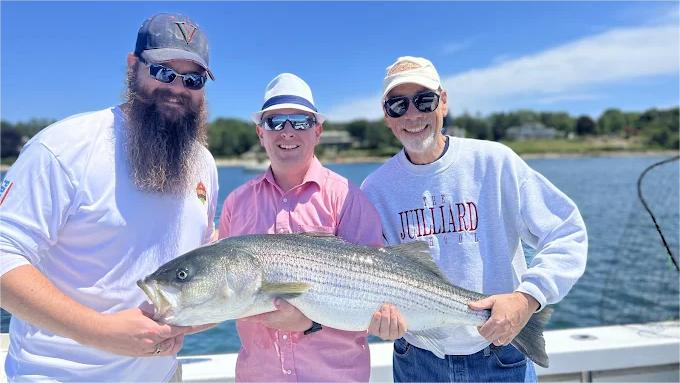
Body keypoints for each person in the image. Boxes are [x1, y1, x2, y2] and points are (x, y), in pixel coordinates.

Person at [0, 13, 218, 382]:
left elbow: (198, 245)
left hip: (163, 374)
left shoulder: (203, 163)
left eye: (193, 79)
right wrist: (100, 331)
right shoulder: (63, 147)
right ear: (133, 66)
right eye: (164, 71)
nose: (178, 88)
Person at [361, 56, 588, 382]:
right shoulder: (375, 189)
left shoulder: (494, 162)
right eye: (398, 105)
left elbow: (566, 231)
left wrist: (527, 299)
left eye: (424, 101)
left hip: (501, 353)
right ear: (386, 116)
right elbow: (367, 278)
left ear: (444, 102)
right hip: (416, 361)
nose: (412, 115)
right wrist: (379, 317)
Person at [218, 73, 406, 382]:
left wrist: (310, 323)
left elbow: (370, 292)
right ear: (260, 133)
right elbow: (227, 290)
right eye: (275, 122)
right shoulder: (235, 204)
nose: (287, 132)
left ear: (317, 131)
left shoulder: (348, 198)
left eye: (300, 122)